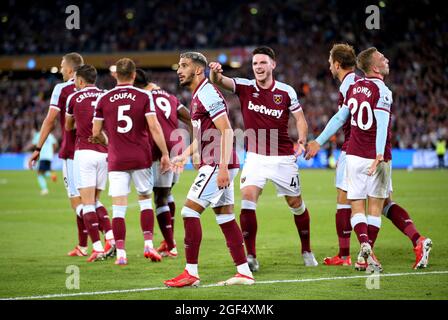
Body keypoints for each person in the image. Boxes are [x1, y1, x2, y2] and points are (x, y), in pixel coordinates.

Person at [310, 47, 433, 271]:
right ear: (374, 67)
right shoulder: (383, 91)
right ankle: (369, 253)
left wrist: (318, 141)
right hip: (376, 156)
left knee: (360, 204)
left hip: (355, 154)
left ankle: (365, 251)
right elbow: (382, 126)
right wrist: (378, 155)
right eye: (382, 58)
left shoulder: (354, 86)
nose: (386, 59)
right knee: (377, 206)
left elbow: (340, 117)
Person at [209, 46, 317, 271]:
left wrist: (302, 140)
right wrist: (215, 73)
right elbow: (220, 81)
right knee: (247, 200)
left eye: (262, 63)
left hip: (283, 158)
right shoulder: (246, 86)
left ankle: (306, 249)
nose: (258, 67)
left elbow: (300, 119)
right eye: (255, 63)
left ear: (272, 65)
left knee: (296, 204)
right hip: (255, 158)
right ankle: (251, 257)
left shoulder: (286, 91)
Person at [164, 52, 254, 287]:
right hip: (215, 162)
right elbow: (203, 136)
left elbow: (226, 131)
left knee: (189, 212)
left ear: (197, 70)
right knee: (225, 217)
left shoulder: (207, 92)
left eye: (184, 66)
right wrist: (184, 155)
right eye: (179, 66)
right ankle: (244, 272)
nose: (179, 70)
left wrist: (222, 167)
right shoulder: (197, 95)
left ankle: (191, 273)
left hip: (217, 163)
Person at [92, 58, 170, 266]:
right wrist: (164, 153)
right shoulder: (144, 96)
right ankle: (148, 244)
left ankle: (121, 254)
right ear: (134, 75)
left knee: (118, 207)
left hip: (117, 158)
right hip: (141, 156)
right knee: (145, 200)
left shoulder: (104, 98)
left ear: (116, 74)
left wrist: (110, 143)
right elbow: (154, 127)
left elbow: (95, 132)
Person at [28, 53, 90, 257]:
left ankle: (106, 237)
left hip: (72, 152)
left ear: (71, 70)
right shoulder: (96, 89)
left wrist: (37, 148)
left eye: (62, 66)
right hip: (97, 152)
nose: (60, 69)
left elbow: (50, 120)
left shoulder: (61, 89)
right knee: (91, 199)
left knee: (77, 200)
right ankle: (84, 245)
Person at [134, 69, 192, 258]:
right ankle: (169, 240)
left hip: (159, 150)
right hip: (177, 146)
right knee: (166, 194)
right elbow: (191, 119)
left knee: (159, 197)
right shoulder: (170, 97)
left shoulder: (142, 97)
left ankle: (171, 245)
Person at [65, 64, 115, 262]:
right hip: (104, 152)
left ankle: (97, 248)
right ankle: (110, 238)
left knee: (87, 203)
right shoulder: (106, 95)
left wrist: (81, 120)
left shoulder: (73, 97)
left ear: (80, 81)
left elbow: (68, 126)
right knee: (95, 201)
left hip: (84, 152)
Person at [28, 128, 58, 195]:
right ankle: (51, 175)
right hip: (49, 157)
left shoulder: (39, 135)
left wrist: (27, 149)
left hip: (42, 156)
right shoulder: (50, 135)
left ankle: (45, 189)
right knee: (43, 172)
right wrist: (51, 152)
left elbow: (33, 145)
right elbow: (56, 145)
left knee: (39, 174)